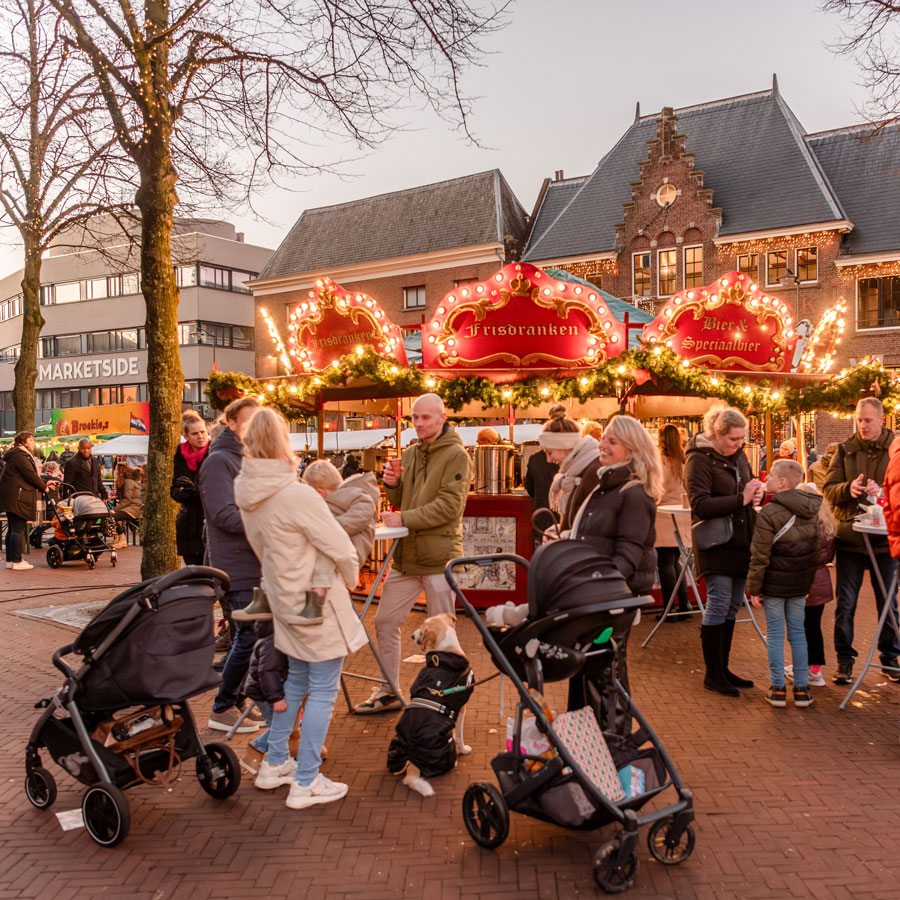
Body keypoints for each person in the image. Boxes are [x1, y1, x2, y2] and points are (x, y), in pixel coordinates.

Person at [235, 408, 366, 809]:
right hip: (315, 598)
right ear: (283, 444)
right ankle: (306, 779)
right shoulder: (297, 493)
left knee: (297, 682)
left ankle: (276, 761)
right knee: (323, 689)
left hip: (282, 597)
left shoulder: (249, 495)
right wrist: (351, 575)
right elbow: (340, 546)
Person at [354, 393, 471, 714]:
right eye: (415, 418)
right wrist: (391, 483)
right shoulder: (410, 453)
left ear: (442, 418)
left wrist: (404, 517)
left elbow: (450, 506)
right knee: (385, 620)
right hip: (408, 557)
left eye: (426, 418)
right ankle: (389, 690)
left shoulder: (457, 455)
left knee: (444, 635)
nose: (418, 423)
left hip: (439, 557)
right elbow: (403, 496)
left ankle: (445, 697)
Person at [566, 415, 661, 726]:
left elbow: (629, 551)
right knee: (589, 670)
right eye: (603, 438)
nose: (602, 445)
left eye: (612, 441)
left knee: (607, 674)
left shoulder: (633, 492)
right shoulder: (608, 484)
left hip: (609, 598)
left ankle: (614, 747)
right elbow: (597, 536)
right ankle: (586, 743)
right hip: (593, 594)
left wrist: (603, 586)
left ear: (631, 449)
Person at [685, 405, 764, 697]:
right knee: (718, 602)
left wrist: (757, 492)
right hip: (716, 542)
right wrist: (740, 499)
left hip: (742, 538)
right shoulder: (699, 459)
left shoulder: (739, 454)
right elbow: (699, 504)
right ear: (718, 434)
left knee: (732, 604)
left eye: (742, 439)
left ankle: (724, 667)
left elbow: (748, 486)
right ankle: (713, 673)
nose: (739, 445)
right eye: (734, 440)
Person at [823, 397, 900, 685]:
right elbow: (828, 489)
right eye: (858, 419)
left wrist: (884, 493)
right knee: (846, 603)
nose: (862, 425)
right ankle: (844, 661)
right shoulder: (844, 450)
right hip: (851, 540)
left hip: (884, 539)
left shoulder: (895, 451)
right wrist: (849, 488)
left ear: (882, 419)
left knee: (888, 602)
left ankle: (890, 657)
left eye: (868, 420)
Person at [200, 396, 264, 733]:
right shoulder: (220, 461)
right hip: (234, 565)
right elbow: (223, 514)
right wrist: (268, 517)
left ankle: (235, 701)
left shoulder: (246, 459)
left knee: (247, 635)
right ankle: (222, 707)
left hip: (252, 562)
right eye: (248, 420)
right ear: (232, 423)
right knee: (249, 636)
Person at [747, 460, 821, 708]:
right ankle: (802, 689)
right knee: (799, 635)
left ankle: (778, 689)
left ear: (782, 482)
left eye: (770, 478)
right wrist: (808, 581)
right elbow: (815, 552)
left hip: (774, 584)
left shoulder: (769, 513)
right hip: (799, 583)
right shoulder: (811, 510)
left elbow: (759, 555)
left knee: (776, 635)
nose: (765, 481)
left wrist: (754, 589)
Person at [301, 459, 380, 623]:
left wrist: (329, 530)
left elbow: (361, 515)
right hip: (338, 549)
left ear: (321, 492)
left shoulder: (358, 494)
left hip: (347, 551)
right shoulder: (350, 495)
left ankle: (316, 600)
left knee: (323, 562)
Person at [785, 482, 836, 688]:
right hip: (821, 582)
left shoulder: (805, 526)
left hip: (806, 583)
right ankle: (811, 668)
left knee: (802, 629)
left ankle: (810, 671)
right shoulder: (826, 525)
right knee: (812, 627)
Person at [238, 619, 289, 776]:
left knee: (280, 725)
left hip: (264, 691)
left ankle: (278, 758)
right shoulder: (272, 643)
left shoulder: (270, 639)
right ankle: (258, 750)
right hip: (265, 693)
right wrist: (276, 698)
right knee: (280, 727)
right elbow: (266, 672)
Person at [541, 404, 600, 533]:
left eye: (550, 452)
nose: (548, 460)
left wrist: (566, 535)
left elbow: (598, 523)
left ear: (565, 446)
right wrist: (557, 531)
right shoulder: (575, 471)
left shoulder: (593, 471)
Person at [655, 423, 691, 620]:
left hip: (663, 514)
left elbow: (655, 488)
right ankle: (684, 604)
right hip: (682, 514)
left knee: (665, 562)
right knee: (676, 560)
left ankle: (669, 609)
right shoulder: (684, 459)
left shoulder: (660, 461)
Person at [0, 432, 50, 570]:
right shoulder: (20, 456)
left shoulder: (15, 454)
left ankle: (11, 560)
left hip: (12, 496)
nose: (33, 443)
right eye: (31, 440)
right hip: (18, 497)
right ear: (23, 442)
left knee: (13, 528)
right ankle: (17, 560)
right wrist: (44, 487)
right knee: (17, 528)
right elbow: (30, 474)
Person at [170, 410, 211, 566]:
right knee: (194, 574)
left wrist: (192, 491)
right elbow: (175, 491)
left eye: (203, 432)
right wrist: (189, 492)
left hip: (209, 521)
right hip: (189, 526)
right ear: (186, 436)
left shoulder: (213, 453)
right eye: (195, 434)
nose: (200, 436)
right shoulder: (180, 455)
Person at [523, 446, 559, 541]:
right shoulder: (568, 457)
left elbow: (529, 487)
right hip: (561, 517)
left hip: (541, 514)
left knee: (541, 549)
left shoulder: (535, 458)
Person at [112, 464, 143, 548]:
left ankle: (122, 540)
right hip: (131, 507)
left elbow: (127, 499)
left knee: (112, 517)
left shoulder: (128, 482)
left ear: (119, 472)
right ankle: (117, 539)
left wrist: (115, 509)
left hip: (133, 508)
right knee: (114, 517)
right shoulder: (127, 481)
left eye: (115, 470)